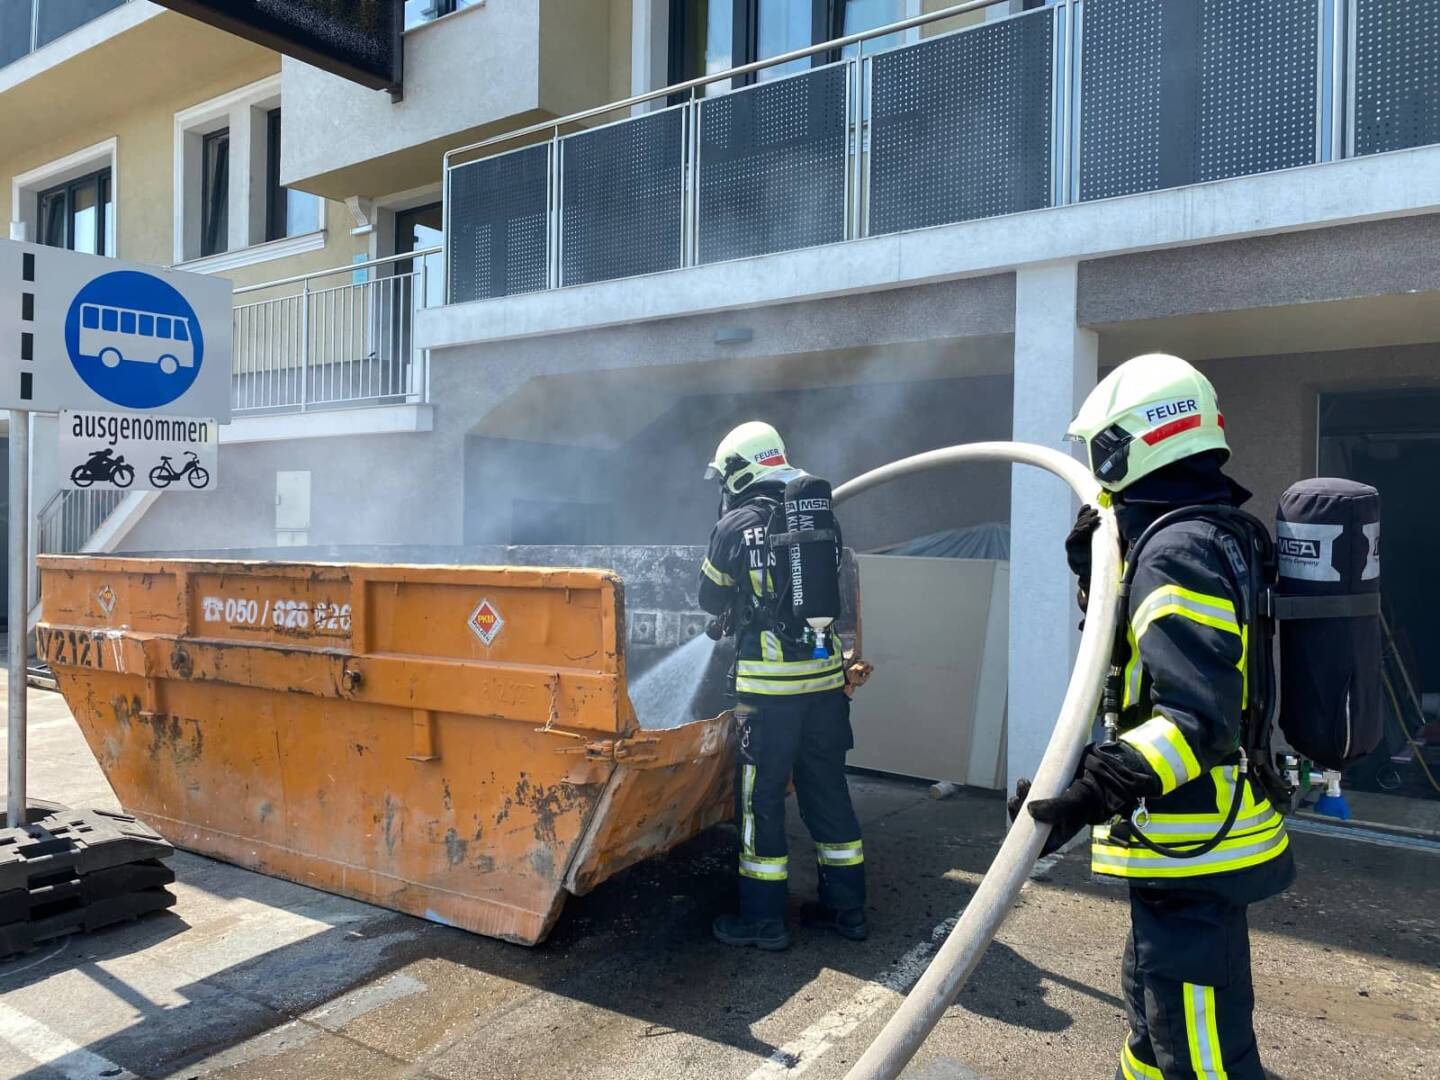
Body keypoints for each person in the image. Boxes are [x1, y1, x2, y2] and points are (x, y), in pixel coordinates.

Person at [1012, 354, 1294, 1079]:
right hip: (1200, 837)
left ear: (1130, 444)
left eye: (1100, 451)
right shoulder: (1215, 533)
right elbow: (1144, 671)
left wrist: (1092, 788)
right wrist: (1097, 573)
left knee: (1198, 1054)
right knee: (1157, 1022)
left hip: (1194, 840)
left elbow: (1197, 718)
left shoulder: (1176, 551)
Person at [698, 421, 866, 951]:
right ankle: (847, 912)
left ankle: (763, 920)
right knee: (828, 792)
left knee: (761, 805)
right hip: (824, 689)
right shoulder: (821, 517)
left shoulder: (736, 525)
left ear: (738, 472)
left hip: (769, 699)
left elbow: (708, 597)